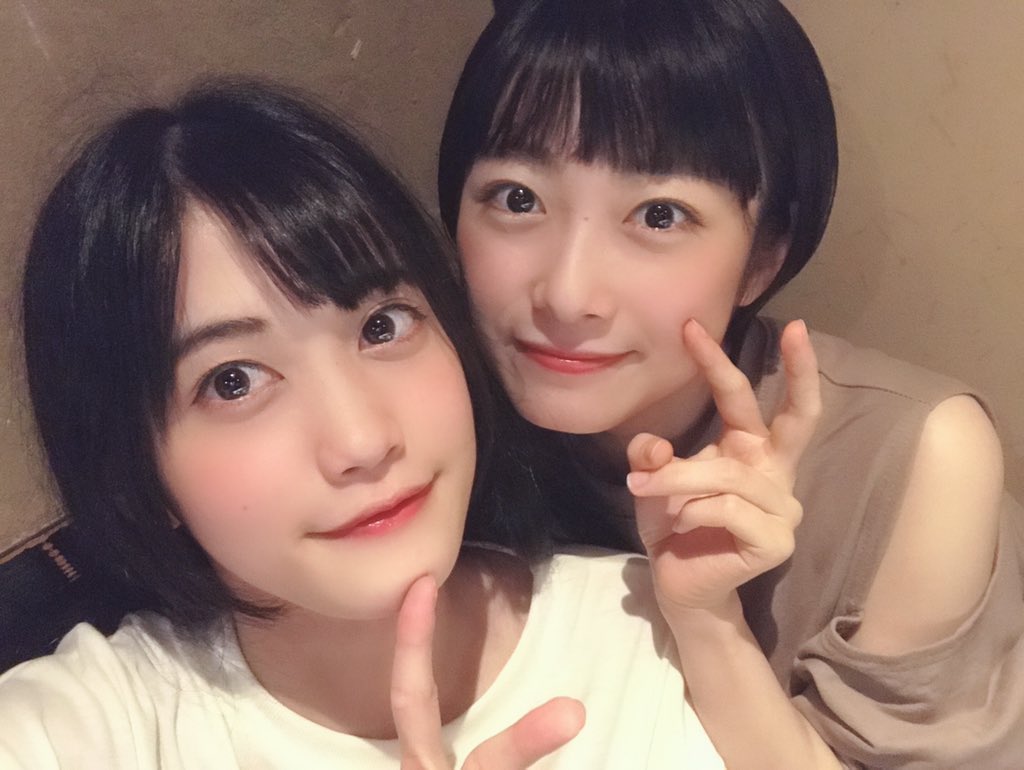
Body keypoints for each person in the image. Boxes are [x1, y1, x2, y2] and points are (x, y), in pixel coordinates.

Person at [0, 81, 726, 768]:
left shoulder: (642, 620)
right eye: (233, 381)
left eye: (382, 326)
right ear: (133, 471)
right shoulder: (92, 728)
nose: (362, 441)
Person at [437, 0, 1024, 767]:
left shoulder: (913, 461)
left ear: (763, 259)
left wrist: (709, 623)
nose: (568, 295)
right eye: (518, 198)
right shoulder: (429, 415)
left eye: (659, 215)